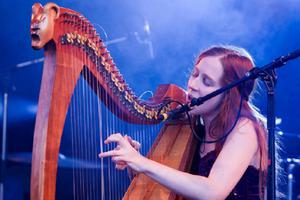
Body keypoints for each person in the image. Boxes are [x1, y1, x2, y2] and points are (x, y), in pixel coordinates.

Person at [99, 45, 268, 199]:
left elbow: (212, 192)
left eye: (207, 81)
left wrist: (143, 163)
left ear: (229, 94)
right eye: (194, 74)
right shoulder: (195, 127)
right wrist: (134, 162)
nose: (193, 85)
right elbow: (177, 185)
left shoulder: (245, 129)